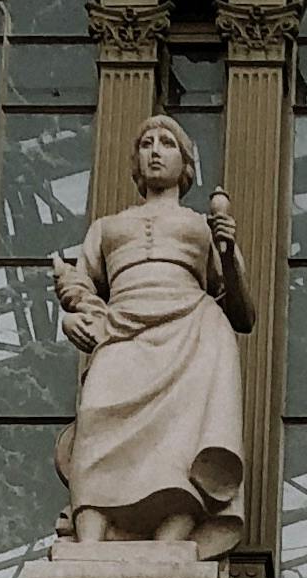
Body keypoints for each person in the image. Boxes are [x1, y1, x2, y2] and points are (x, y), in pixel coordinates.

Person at [52, 114, 253, 553]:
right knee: (98, 420)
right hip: (121, 330)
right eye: (146, 143)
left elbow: (242, 312)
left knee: (178, 445)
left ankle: (171, 540)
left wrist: (227, 248)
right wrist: (71, 319)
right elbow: (81, 287)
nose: (156, 150)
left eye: (167, 143)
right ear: (135, 162)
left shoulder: (199, 226)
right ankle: (90, 540)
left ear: (186, 167)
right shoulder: (107, 228)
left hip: (188, 330)